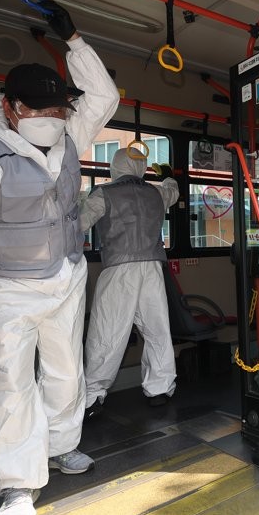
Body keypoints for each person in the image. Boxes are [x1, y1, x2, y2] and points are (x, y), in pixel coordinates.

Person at [0, 1, 120, 515]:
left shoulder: (72, 137)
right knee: (7, 385)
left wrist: (74, 41)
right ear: (10, 107)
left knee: (65, 370)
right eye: (42, 110)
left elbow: (105, 97)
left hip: (67, 276)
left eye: (59, 110)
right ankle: (16, 483)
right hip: (7, 287)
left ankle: (59, 447)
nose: (53, 118)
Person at [81, 150, 180, 416]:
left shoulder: (103, 194)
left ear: (115, 166)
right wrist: (169, 176)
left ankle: (92, 395)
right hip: (152, 269)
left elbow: (77, 224)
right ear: (142, 167)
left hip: (118, 270)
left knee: (108, 332)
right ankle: (160, 388)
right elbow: (173, 191)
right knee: (157, 330)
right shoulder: (156, 192)